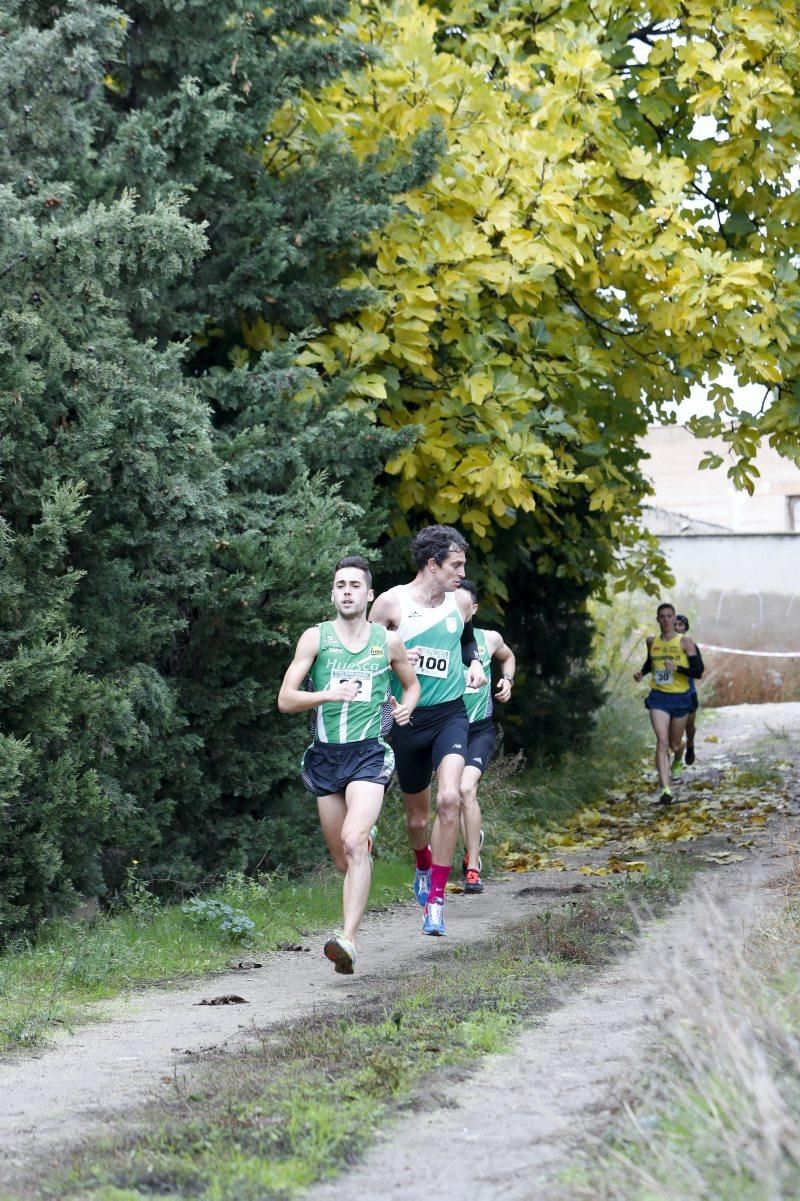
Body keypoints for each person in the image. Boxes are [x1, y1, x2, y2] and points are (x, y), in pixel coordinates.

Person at [277, 555, 419, 975]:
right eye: (340, 585)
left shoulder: (387, 642)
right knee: (343, 859)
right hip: (325, 756)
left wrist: (406, 709)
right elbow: (285, 699)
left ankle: (348, 940)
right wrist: (326, 694)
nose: (347, 591)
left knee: (355, 841)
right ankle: (363, 840)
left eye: (355, 585)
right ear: (332, 593)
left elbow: (411, 687)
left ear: (369, 594)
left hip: (369, 754)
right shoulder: (315, 639)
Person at [369, 525, 486, 936]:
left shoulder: (458, 601)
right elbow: (363, 654)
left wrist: (472, 664)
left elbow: (467, 640)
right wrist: (396, 658)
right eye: (455, 565)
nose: (462, 572)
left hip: (450, 714)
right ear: (432, 565)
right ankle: (422, 862)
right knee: (417, 822)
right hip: (407, 719)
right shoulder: (391, 603)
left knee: (451, 798)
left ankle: (436, 902)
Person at [456, 580, 516, 894]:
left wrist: (507, 680)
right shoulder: (436, 640)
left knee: (466, 789)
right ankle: (472, 837)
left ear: (474, 609)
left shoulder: (489, 639)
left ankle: (472, 867)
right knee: (451, 796)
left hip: (479, 729)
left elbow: (508, 657)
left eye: (464, 607)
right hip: (446, 729)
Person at [633, 602, 703, 804]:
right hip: (659, 697)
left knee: (674, 744)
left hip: (680, 698)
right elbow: (651, 662)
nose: (665, 620)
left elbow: (698, 671)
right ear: (657, 619)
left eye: (669, 616)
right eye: (661, 616)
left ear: (675, 619)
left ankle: (679, 757)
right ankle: (666, 789)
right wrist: (642, 673)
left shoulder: (685, 642)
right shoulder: (651, 641)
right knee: (662, 741)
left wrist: (678, 668)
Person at [674, 614, 700, 766]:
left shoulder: (690, 646)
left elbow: (698, 671)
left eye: (680, 625)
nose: (677, 627)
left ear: (685, 628)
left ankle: (690, 745)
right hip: (668, 695)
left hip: (688, 693)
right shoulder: (663, 645)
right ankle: (674, 760)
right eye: (675, 624)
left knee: (689, 727)